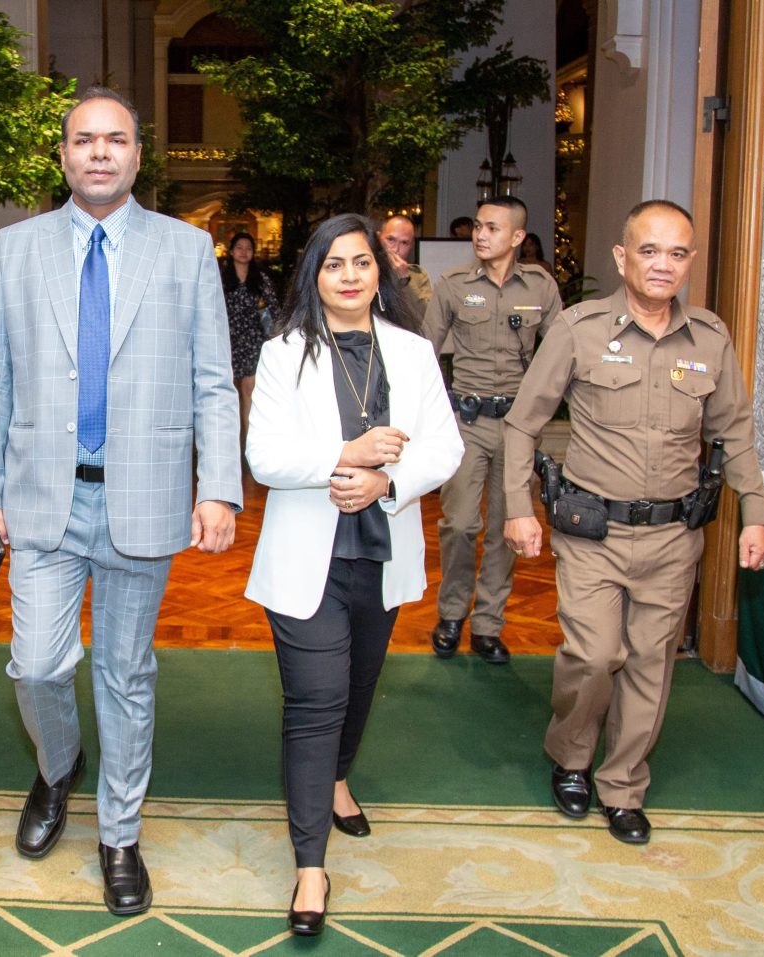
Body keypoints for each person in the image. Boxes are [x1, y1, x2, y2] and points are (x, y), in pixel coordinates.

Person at [0, 86, 241, 917]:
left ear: (137, 156)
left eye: (115, 139)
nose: (99, 152)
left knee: (125, 674)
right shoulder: (16, 248)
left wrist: (218, 486)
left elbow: (213, 380)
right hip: (40, 497)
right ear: (62, 156)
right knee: (37, 664)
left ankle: (120, 834)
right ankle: (58, 767)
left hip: (143, 499)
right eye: (84, 139)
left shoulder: (186, 249)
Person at [503, 200, 764, 844]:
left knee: (652, 663)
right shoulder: (579, 328)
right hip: (593, 531)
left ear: (690, 261)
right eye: (649, 251)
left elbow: (734, 434)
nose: (662, 264)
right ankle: (572, 755)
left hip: (675, 537)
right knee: (595, 656)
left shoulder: (709, 337)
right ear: (623, 257)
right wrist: (517, 507)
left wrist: (756, 514)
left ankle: (622, 785)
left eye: (676, 253)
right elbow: (522, 422)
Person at [245, 214, 463, 936]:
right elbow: (265, 457)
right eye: (333, 263)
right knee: (316, 699)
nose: (348, 275)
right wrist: (351, 453)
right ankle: (311, 866)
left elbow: (445, 447)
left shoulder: (413, 351)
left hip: (382, 550)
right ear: (314, 274)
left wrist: (386, 481)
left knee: (361, 683)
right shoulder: (284, 353)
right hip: (305, 559)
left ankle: (339, 776)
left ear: (380, 272)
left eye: (361, 262)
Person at [423, 196, 562, 664]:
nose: (480, 235)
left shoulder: (541, 287)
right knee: (460, 523)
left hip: (519, 427)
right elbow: (424, 354)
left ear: (518, 237)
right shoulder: (453, 284)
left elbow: (561, 356)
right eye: (478, 226)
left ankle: (487, 625)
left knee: (508, 526)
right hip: (467, 423)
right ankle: (451, 614)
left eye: (492, 228)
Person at [220, 231, 281, 449]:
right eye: (239, 247)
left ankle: (248, 446)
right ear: (231, 251)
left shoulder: (261, 279)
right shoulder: (220, 279)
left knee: (249, 393)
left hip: (254, 341)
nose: (244, 252)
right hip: (226, 342)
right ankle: (228, 445)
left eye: (248, 248)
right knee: (227, 395)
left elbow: (274, 309)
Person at [378, 215, 433, 321]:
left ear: (411, 246)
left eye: (404, 243)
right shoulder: (363, 272)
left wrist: (405, 282)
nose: (395, 249)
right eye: (390, 239)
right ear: (378, 238)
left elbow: (426, 318)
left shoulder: (418, 276)